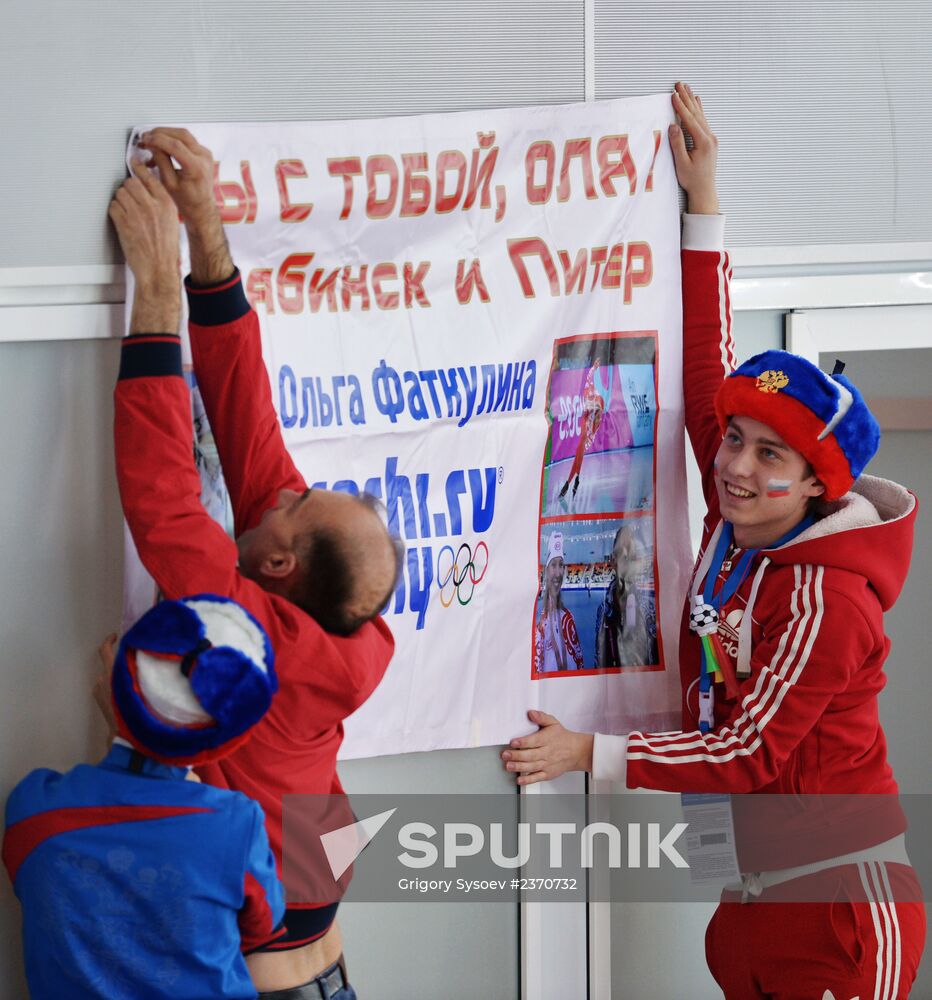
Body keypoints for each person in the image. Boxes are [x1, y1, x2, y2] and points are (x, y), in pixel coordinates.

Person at [503, 82, 925, 997]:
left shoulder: (827, 595)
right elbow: (709, 365)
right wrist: (705, 207)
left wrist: (589, 753)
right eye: (735, 439)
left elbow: (750, 753)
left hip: (838, 908)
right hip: (748, 900)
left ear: (819, 483)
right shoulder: (742, 517)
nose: (734, 464)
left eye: (770, 453)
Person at [109, 130, 401, 997]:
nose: (282, 490)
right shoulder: (343, 617)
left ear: (278, 564)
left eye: (295, 504)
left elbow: (163, 494)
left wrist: (155, 290)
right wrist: (206, 224)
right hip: (322, 934)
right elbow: (248, 419)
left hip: (267, 977)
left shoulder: (244, 643)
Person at [3, 597, 285, 999]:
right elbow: (261, 926)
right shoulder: (236, 828)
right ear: (223, 742)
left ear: (114, 691)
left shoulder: (32, 808)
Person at [594, 525, 657, 667]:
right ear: (613, 560)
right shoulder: (603, 611)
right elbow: (598, 660)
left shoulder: (649, 610)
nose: (627, 559)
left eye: (632, 556)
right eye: (623, 555)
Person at [534, 531, 584, 672]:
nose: (557, 573)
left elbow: (580, 663)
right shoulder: (538, 622)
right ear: (546, 570)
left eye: (561, 565)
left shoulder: (568, 618)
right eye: (553, 565)